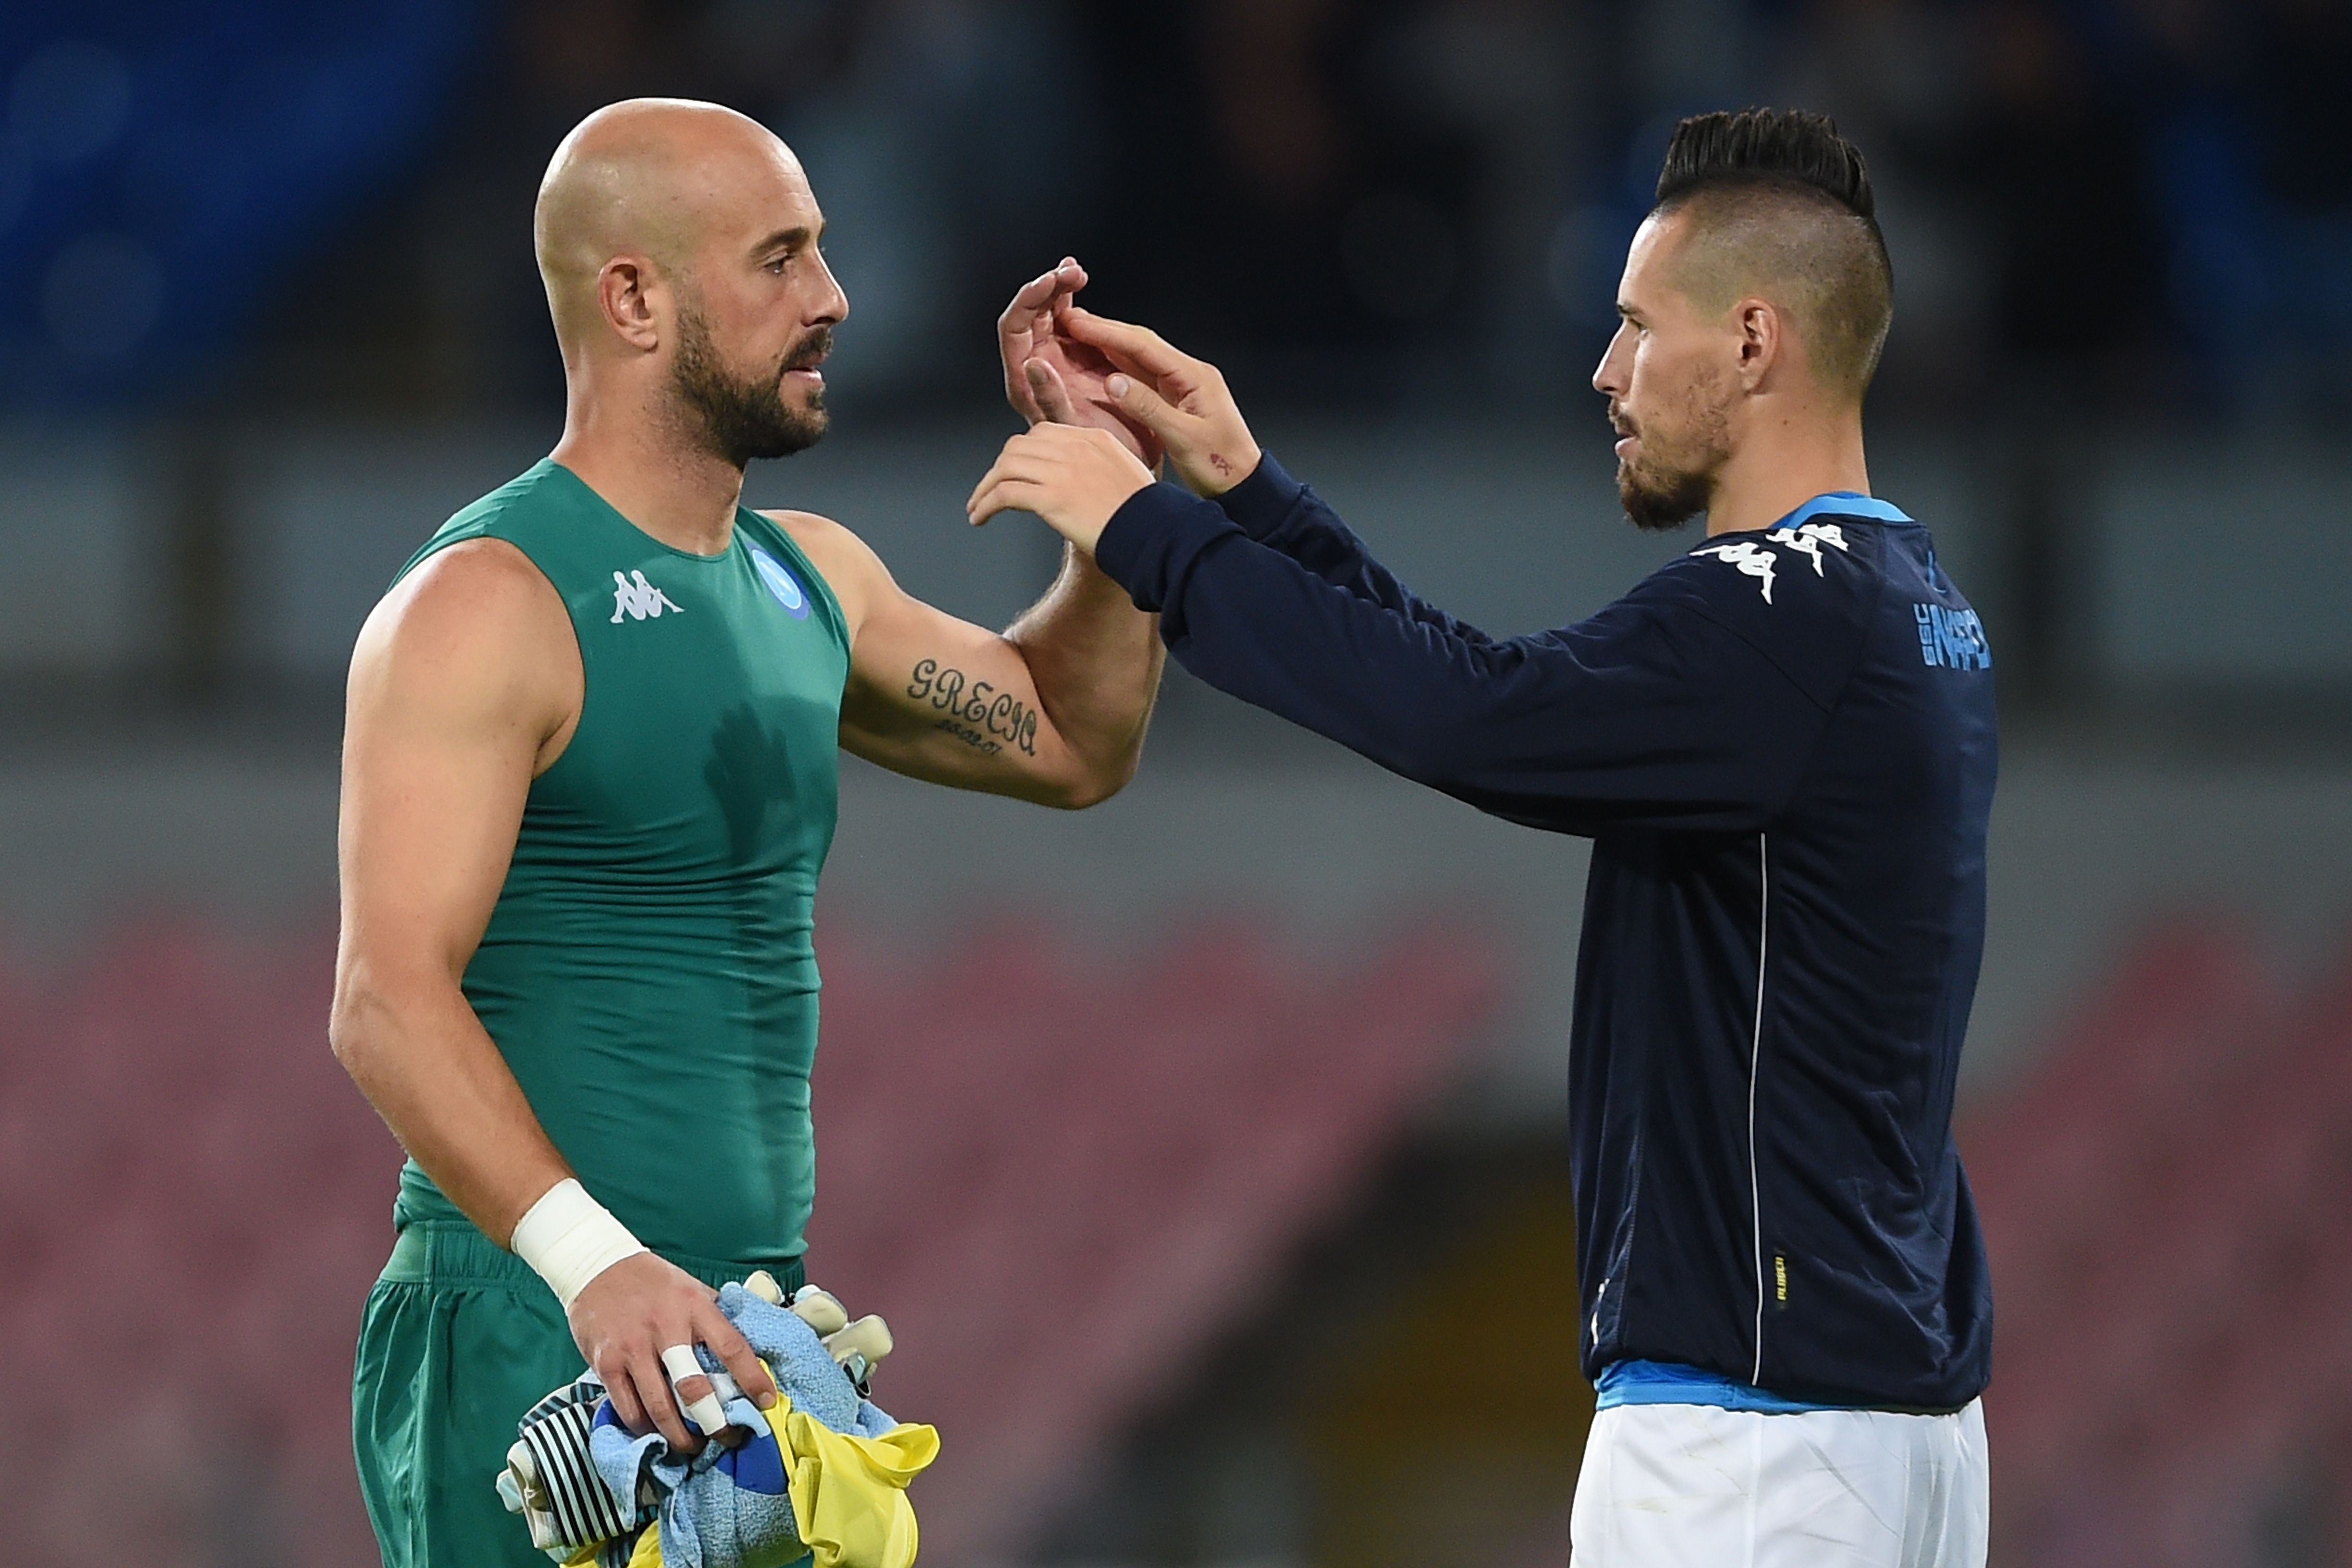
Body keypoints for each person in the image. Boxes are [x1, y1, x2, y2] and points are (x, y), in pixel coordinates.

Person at [972, 109, 1995, 1567]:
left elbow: (1467, 721)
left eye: (1639, 326)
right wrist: (1250, 496)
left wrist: (1150, 536)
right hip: (1880, 1411)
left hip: (1761, 1436)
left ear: (1755, 341)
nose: (1606, 370)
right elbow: (1496, 692)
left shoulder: (1775, 617)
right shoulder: (1898, 596)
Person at [331, 98, 1164, 1568]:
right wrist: (600, 1272)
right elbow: (383, 998)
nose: (832, 299)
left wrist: (1115, 517)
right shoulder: (488, 602)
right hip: (541, 1315)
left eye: (822, 255)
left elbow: (1073, 739)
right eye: (780, 260)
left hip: (734, 1332)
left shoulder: (811, 581)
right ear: (635, 297)